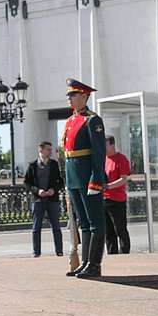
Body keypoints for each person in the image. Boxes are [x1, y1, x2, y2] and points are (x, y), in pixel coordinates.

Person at [62, 78, 107, 278]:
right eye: (69, 95)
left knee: (96, 221)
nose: (69, 98)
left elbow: (98, 153)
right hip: (73, 177)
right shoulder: (71, 120)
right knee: (84, 223)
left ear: (84, 96)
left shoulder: (92, 120)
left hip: (88, 176)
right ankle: (86, 262)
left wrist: (96, 179)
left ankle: (94, 264)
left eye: (73, 95)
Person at [23, 142, 65, 258]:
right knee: (36, 228)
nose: (50, 152)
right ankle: (36, 252)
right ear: (40, 150)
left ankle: (59, 251)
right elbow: (26, 183)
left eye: (51, 150)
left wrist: (54, 189)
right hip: (38, 200)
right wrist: (37, 191)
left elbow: (61, 182)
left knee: (56, 227)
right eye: (48, 150)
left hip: (53, 199)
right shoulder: (32, 166)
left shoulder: (54, 165)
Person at [104, 135, 132, 254]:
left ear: (112, 144)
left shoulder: (121, 158)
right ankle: (112, 255)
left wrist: (108, 186)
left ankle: (125, 253)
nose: (103, 147)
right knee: (109, 232)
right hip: (104, 199)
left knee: (120, 229)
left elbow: (124, 179)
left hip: (117, 200)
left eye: (105, 144)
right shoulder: (102, 159)